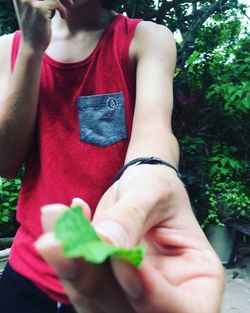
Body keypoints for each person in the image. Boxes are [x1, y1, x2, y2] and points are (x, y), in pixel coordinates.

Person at [0, 0, 224, 312]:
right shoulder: (8, 48)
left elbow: (154, 129)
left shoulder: (147, 38)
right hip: (27, 273)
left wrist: (153, 170)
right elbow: (5, 163)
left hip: (114, 273)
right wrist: (32, 46)